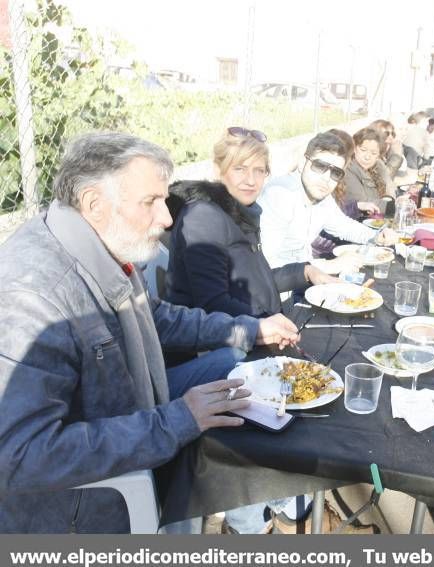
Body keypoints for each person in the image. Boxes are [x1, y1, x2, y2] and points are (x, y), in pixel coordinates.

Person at [0, 132, 301, 533]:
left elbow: (157, 318)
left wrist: (248, 329)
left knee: (249, 378)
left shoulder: (103, 244)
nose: (168, 218)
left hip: (141, 410)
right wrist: (175, 421)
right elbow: (21, 454)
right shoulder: (34, 297)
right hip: (83, 515)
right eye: (150, 202)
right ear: (93, 204)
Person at [165, 127, 334, 319]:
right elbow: (212, 303)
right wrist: (266, 323)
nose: (251, 181)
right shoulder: (203, 217)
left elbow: (258, 282)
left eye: (259, 171)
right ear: (218, 170)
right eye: (240, 169)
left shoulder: (242, 211)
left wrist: (305, 271)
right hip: (224, 344)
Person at [258, 131, 397, 273]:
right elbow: (266, 263)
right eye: (320, 166)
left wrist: (377, 236)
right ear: (302, 163)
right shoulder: (279, 195)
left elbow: (344, 226)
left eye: (336, 173)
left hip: (303, 280)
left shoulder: (322, 195)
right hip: (277, 290)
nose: (327, 178)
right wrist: (328, 266)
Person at [343, 127, 396, 215]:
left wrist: (395, 200)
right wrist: (394, 206)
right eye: (363, 150)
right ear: (355, 149)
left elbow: (389, 189)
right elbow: (362, 202)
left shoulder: (377, 166)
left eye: (373, 153)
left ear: (378, 155)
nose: (367, 157)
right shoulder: (348, 169)